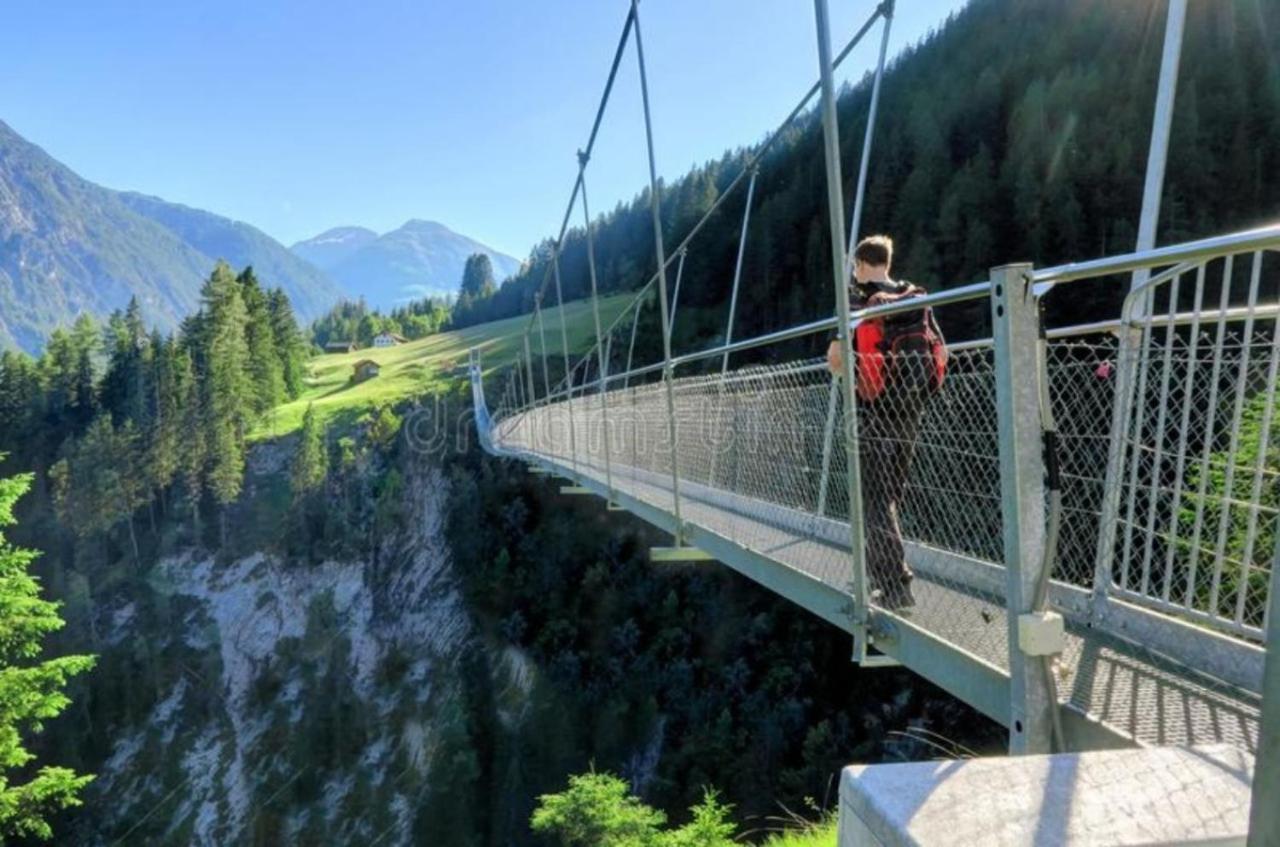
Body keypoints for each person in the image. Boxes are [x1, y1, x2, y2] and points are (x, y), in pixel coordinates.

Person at [826, 235, 941, 610]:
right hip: (910, 410)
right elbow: (942, 349)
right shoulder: (914, 297)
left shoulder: (856, 301)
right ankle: (879, 575)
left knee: (872, 499)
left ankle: (896, 585)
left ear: (860, 264)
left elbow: (836, 360)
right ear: (887, 262)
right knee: (888, 496)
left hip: (869, 411)